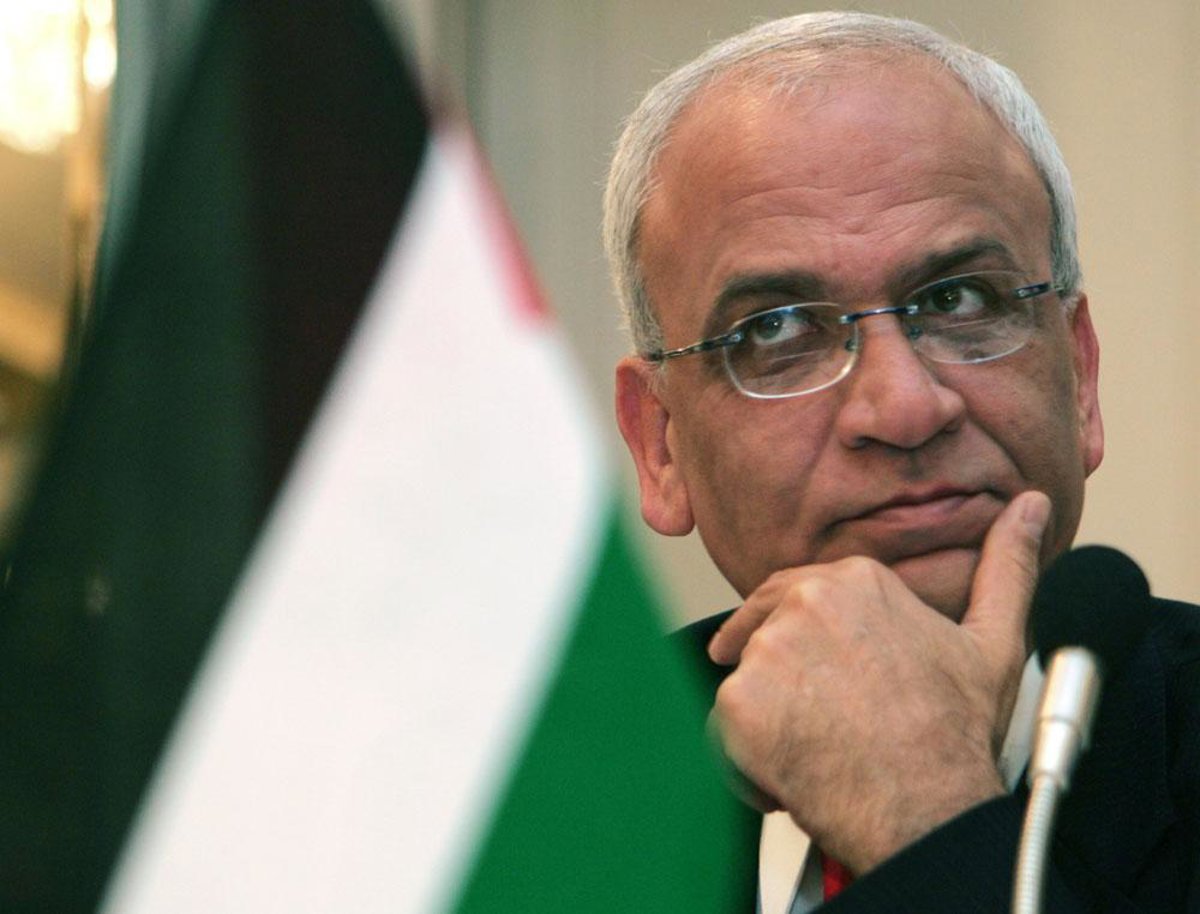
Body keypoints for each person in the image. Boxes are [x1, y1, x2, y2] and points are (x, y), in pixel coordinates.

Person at [603, 12, 1200, 912]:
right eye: (778, 330)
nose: (906, 409)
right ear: (660, 444)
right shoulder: (548, 798)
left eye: (959, 300)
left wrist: (924, 816)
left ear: (1080, 377)